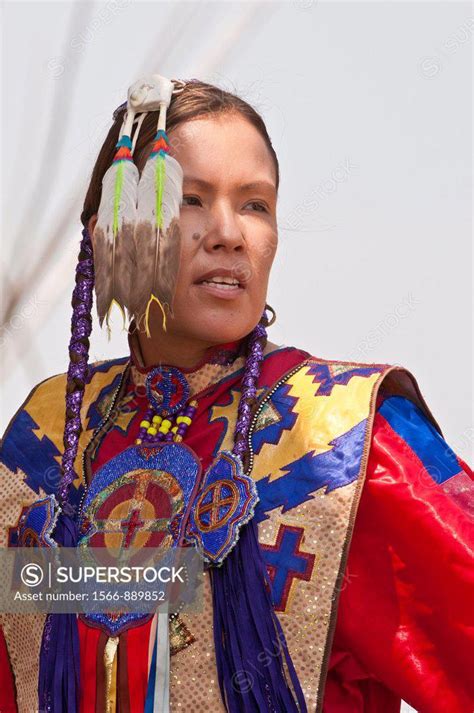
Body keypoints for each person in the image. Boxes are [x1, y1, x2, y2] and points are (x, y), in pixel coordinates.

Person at [0, 76, 472, 713]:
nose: (228, 233)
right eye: (191, 200)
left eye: (255, 205)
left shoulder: (345, 439)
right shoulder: (46, 445)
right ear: (114, 231)